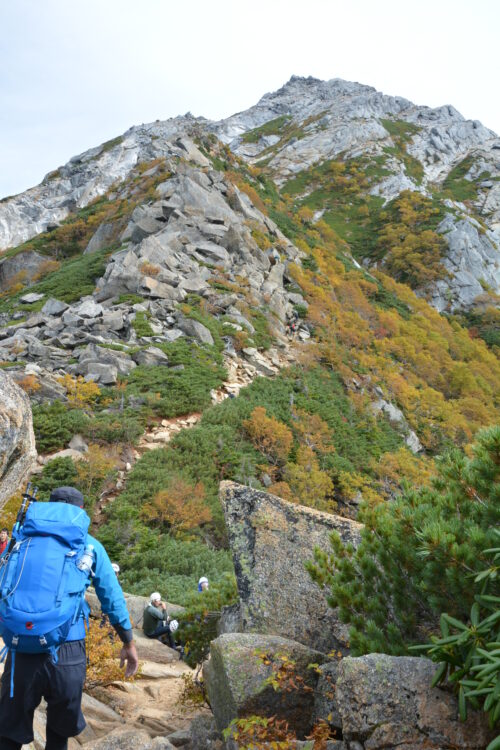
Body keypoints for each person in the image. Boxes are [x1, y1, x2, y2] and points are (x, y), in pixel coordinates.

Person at [0, 486, 138, 750]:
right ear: (81, 511)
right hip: (68, 648)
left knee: (8, 734)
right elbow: (111, 597)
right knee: (58, 733)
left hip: (21, 645)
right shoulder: (88, 544)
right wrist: (128, 642)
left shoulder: (23, 538)